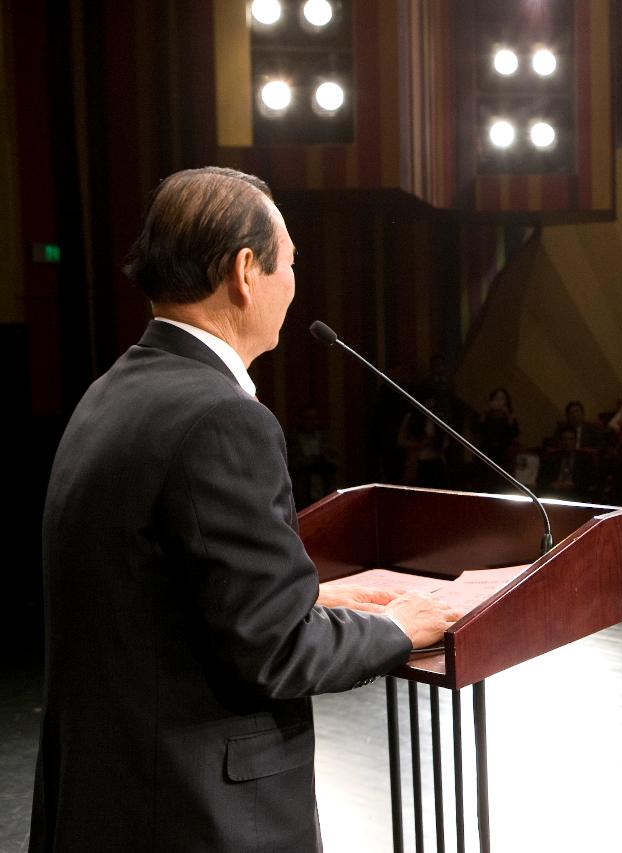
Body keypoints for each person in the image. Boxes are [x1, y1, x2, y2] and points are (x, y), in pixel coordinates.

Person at [30, 167, 460, 852]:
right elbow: (277, 650)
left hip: (109, 798)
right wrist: (397, 628)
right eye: (289, 262)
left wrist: (311, 594)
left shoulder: (109, 393)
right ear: (244, 271)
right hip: (192, 816)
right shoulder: (222, 418)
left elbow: (150, 594)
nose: (294, 283)